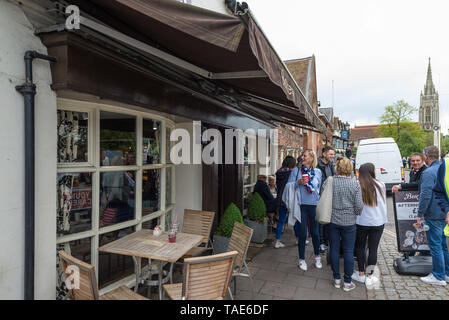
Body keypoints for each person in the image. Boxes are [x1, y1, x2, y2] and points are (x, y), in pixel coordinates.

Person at [325, 157, 364, 291]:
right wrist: (355, 213)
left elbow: (322, 197)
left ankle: (336, 279)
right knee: (348, 251)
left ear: (337, 168)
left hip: (332, 220)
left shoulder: (330, 181)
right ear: (350, 169)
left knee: (334, 250)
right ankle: (347, 282)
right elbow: (359, 205)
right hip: (349, 222)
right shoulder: (355, 184)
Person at [416, 146, 449, 286]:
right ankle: (446, 273)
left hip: (434, 214)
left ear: (426, 157)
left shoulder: (429, 172)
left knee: (435, 246)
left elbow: (426, 195)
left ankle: (438, 276)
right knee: (443, 245)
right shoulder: (444, 168)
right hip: (443, 212)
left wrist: (420, 214)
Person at [351, 163, 387, 287]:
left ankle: (360, 274)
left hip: (362, 222)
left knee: (360, 247)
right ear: (372, 172)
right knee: (373, 249)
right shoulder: (381, 184)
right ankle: (369, 276)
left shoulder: (357, 184)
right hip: (378, 222)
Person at [288, 149, 323, 270]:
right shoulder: (296, 171)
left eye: (305, 156)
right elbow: (288, 187)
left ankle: (317, 257)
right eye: (302, 155)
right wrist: (298, 182)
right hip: (301, 206)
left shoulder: (318, 172)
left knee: (315, 233)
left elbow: (319, 189)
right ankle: (302, 259)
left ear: (312, 158)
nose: (302, 157)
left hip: (314, 205)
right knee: (302, 233)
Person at [316, 146, 336, 253]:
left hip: (329, 196)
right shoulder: (317, 166)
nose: (333, 156)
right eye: (331, 154)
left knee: (328, 220)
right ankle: (321, 243)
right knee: (321, 221)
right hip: (320, 197)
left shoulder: (331, 165)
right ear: (324, 154)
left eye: (333, 154)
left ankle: (326, 242)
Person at [274, 156, 297, 248]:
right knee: (295, 219)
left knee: (281, 221)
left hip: (280, 199)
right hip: (289, 198)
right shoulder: (291, 173)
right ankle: (298, 239)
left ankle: (277, 241)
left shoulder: (279, 172)